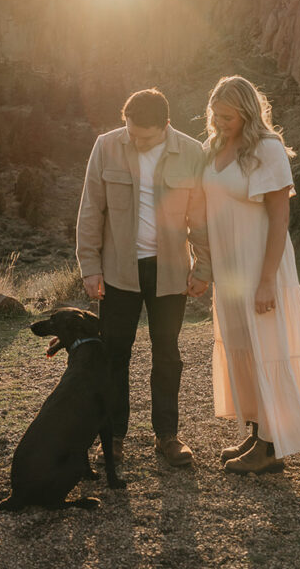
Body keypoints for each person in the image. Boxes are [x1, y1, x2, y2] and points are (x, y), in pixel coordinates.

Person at [202, 75, 300, 474]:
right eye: (215, 114)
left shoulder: (267, 149)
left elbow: (280, 218)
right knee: (242, 346)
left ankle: (273, 445)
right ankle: (258, 430)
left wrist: (266, 281)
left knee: (268, 347)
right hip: (229, 272)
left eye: (228, 116)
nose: (219, 121)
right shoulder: (212, 148)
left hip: (259, 264)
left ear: (247, 113)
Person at [76, 88, 211, 467]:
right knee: (115, 354)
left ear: (166, 127)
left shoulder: (191, 152)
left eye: (145, 137)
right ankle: (113, 437)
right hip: (119, 271)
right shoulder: (106, 146)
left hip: (169, 271)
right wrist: (90, 267)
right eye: (131, 131)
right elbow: (91, 211)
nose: (135, 140)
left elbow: (199, 217)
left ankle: (167, 436)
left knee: (166, 353)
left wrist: (203, 267)